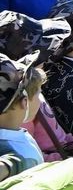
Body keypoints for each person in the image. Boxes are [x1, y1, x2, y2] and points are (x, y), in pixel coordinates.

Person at [0, 53, 44, 183]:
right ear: (24, 102)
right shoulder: (20, 154)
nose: (40, 101)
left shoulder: (15, 135)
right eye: (39, 94)